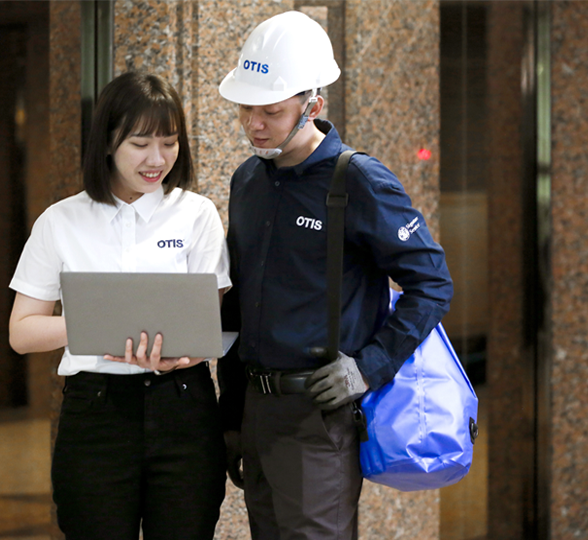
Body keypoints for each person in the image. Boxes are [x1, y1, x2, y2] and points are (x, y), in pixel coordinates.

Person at [217, 11, 453, 540]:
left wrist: (368, 367)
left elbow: (432, 283)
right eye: (246, 108)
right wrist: (231, 412)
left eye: (271, 112)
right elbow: (241, 304)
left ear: (313, 106)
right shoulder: (248, 180)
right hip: (254, 411)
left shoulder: (359, 181)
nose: (253, 123)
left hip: (319, 416)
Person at [8, 71, 229, 540]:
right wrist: (98, 320)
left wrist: (181, 358)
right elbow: (23, 332)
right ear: (107, 141)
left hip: (184, 408)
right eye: (140, 143)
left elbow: (208, 324)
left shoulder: (197, 215)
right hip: (97, 413)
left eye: (169, 143)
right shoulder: (60, 221)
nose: (157, 159)